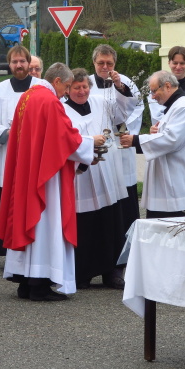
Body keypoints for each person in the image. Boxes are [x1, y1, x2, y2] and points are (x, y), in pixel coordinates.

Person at [0, 63, 104, 301]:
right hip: (45, 179)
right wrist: (91, 143)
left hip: (28, 171)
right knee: (46, 224)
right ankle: (39, 284)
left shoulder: (29, 96)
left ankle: (25, 282)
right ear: (57, 81)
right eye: (66, 87)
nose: (66, 92)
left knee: (30, 222)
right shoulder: (49, 100)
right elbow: (64, 138)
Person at [0, 46, 51, 256]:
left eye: (22, 61)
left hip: (36, 158)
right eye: (14, 62)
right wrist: (11, 133)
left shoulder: (43, 87)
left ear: (29, 63)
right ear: (8, 64)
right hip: (8, 156)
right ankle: (9, 248)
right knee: (9, 203)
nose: (19, 65)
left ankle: (36, 246)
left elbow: (54, 116)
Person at [63, 68, 129, 289]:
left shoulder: (101, 101)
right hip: (82, 174)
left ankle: (113, 271)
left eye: (84, 87)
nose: (81, 91)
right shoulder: (62, 111)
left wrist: (119, 88)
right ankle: (83, 271)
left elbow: (123, 114)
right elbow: (65, 139)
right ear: (67, 89)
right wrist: (90, 141)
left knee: (110, 221)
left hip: (106, 171)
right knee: (86, 225)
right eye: (76, 87)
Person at [119, 70, 185, 218]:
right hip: (173, 183)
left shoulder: (184, 106)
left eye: (154, 91)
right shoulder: (176, 105)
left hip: (181, 187)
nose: (152, 96)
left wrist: (135, 140)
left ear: (167, 86)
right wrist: (156, 131)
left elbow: (171, 139)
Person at [88, 45, 142, 229]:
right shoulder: (85, 84)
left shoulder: (125, 81)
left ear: (115, 63)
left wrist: (121, 130)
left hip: (119, 140)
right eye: (100, 63)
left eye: (109, 63)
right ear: (94, 63)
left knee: (124, 187)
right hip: (97, 141)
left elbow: (137, 107)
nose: (105, 67)